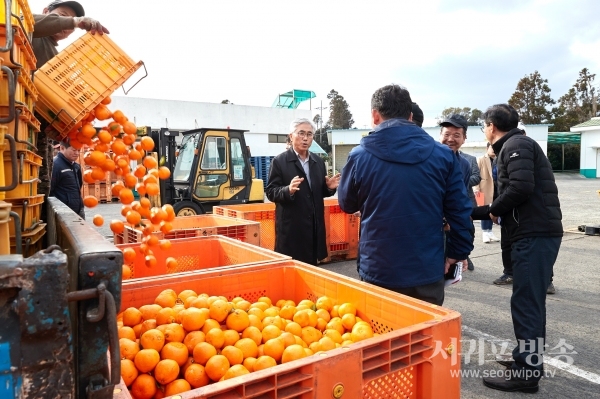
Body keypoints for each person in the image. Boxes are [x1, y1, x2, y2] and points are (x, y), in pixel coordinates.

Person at [337, 84, 473, 306]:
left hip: (378, 266)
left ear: (375, 115)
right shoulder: (444, 156)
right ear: (410, 116)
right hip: (427, 266)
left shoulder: (359, 156)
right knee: (425, 334)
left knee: (383, 333)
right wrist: (457, 252)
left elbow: (347, 203)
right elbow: (460, 211)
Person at [479, 104, 562, 393]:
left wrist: (493, 210)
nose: (485, 132)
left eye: (483, 127)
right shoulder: (515, 144)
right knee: (528, 301)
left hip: (535, 233)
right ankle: (524, 359)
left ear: (491, 126)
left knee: (527, 304)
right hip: (532, 232)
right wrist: (478, 212)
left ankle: (526, 374)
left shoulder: (516, 145)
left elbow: (520, 187)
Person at [32, 1, 109, 234]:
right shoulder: (32, 30)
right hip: (24, 119)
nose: (66, 26)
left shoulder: (55, 55)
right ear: (47, 13)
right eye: (62, 16)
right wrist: (76, 22)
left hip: (38, 127)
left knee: (40, 186)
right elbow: (31, 22)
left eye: (70, 24)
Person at [265, 118, 341, 265]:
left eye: (309, 134)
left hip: (313, 226)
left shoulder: (317, 162)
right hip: (292, 227)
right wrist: (288, 190)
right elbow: (271, 191)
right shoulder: (279, 161)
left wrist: (328, 188)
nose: (305, 138)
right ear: (291, 135)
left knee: (311, 268)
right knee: (291, 270)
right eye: (301, 133)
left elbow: (316, 192)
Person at [439, 114, 480, 271]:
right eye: (447, 134)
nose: (451, 139)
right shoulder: (429, 160)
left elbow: (459, 198)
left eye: (457, 135)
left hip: (452, 224)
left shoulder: (465, 164)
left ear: (464, 138)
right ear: (440, 135)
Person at [50, 139, 85, 219]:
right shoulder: (55, 165)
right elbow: (50, 190)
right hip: (64, 213)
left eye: (78, 150)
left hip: (78, 210)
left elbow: (78, 186)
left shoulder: (76, 166)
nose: (77, 153)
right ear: (62, 148)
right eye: (74, 150)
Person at [474, 143, 500, 243]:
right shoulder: (481, 159)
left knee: (493, 209)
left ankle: (490, 232)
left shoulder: (498, 159)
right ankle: (485, 232)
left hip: (495, 190)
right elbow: (476, 174)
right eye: (491, 148)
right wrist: (476, 189)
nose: (493, 150)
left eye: (495, 148)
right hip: (483, 189)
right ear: (487, 148)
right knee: (483, 209)